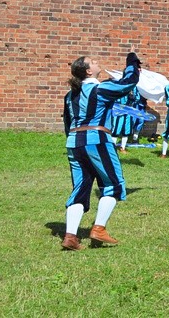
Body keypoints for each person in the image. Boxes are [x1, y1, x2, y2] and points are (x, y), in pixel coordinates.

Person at [60, 47, 141, 251]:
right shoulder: (99, 89)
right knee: (113, 184)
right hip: (96, 139)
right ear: (88, 71)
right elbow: (128, 83)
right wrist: (132, 59)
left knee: (80, 187)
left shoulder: (70, 96)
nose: (98, 63)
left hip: (73, 142)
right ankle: (99, 228)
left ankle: (70, 236)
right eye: (93, 62)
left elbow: (68, 123)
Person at [111, 87, 145, 153]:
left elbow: (137, 98)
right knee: (116, 129)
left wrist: (132, 96)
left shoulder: (133, 87)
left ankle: (122, 147)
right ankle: (112, 148)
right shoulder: (118, 85)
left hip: (129, 110)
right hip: (119, 110)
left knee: (127, 130)